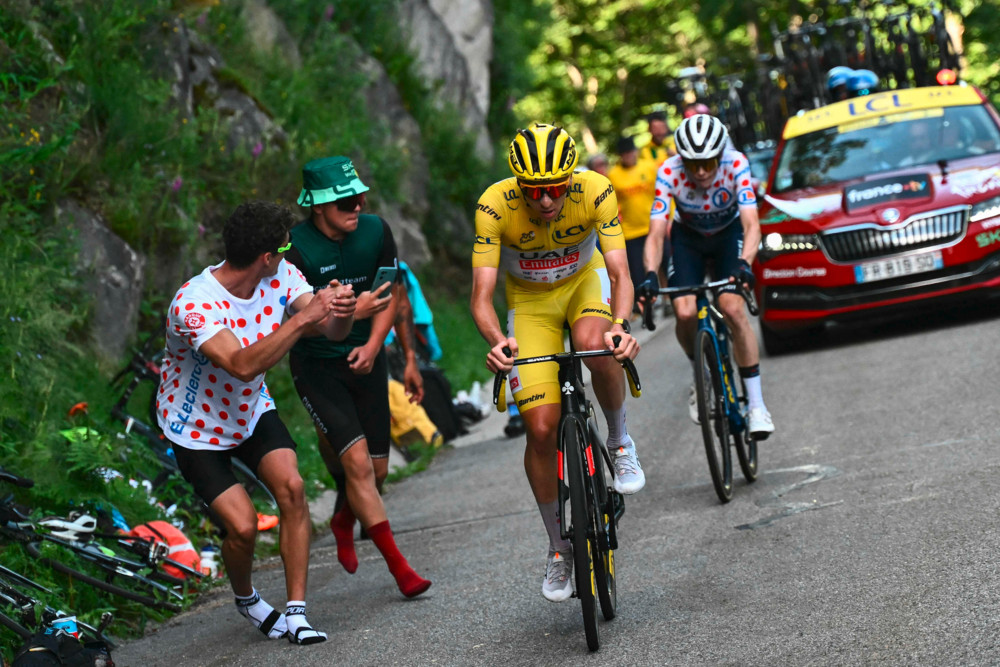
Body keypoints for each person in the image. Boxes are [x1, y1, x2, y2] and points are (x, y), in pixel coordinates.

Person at [156, 200, 357, 645]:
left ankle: (298, 613)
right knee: (243, 527)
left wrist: (338, 311)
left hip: (249, 410)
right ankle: (246, 598)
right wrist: (304, 319)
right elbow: (242, 365)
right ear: (265, 256)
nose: (288, 255)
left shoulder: (282, 275)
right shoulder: (194, 304)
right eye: (283, 248)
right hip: (194, 425)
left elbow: (330, 330)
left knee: (294, 489)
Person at [471, 122, 643, 603]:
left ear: (571, 178)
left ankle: (619, 439)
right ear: (518, 185)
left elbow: (619, 272)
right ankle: (558, 547)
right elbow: (481, 297)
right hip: (528, 304)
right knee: (541, 430)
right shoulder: (494, 205)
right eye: (534, 191)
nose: (546, 200)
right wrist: (496, 341)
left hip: (583, 284)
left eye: (555, 188)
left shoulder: (595, 189)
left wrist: (621, 327)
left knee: (595, 344)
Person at [284, 156, 431, 598]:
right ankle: (402, 572)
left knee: (379, 472)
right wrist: (343, 316)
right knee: (358, 466)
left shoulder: (375, 231)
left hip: (367, 359)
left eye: (361, 196)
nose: (359, 205)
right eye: (346, 200)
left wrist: (377, 348)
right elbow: (295, 320)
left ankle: (343, 518)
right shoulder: (295, 246)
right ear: (317, 206)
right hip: (318, 366)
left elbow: (392, 293)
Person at [638, 114, 775, 440]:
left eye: (708, 162)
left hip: (728, 237)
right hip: (689, 240)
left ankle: (756, 405)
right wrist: (649, 274)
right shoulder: (669, 171)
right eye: (693, 163)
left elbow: (752, 224)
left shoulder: (736, 163)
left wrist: (744, 263)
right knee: (684, 311)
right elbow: (657, 234)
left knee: (732, 308)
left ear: (720, 155)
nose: (700, 171)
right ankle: (699, 370)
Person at [606, 135, 661, 312]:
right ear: (620, 155)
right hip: (630, 231)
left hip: (654, 225)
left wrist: (668, 220)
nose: (628, 156)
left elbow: (661, 195)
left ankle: (668, 299)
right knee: (638, 271)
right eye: (624, 153)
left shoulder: (649, 167)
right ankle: (645, 306)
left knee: (662, 264)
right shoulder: (613, 175)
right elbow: (611, 205)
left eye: (630, 152)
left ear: (635, 151)